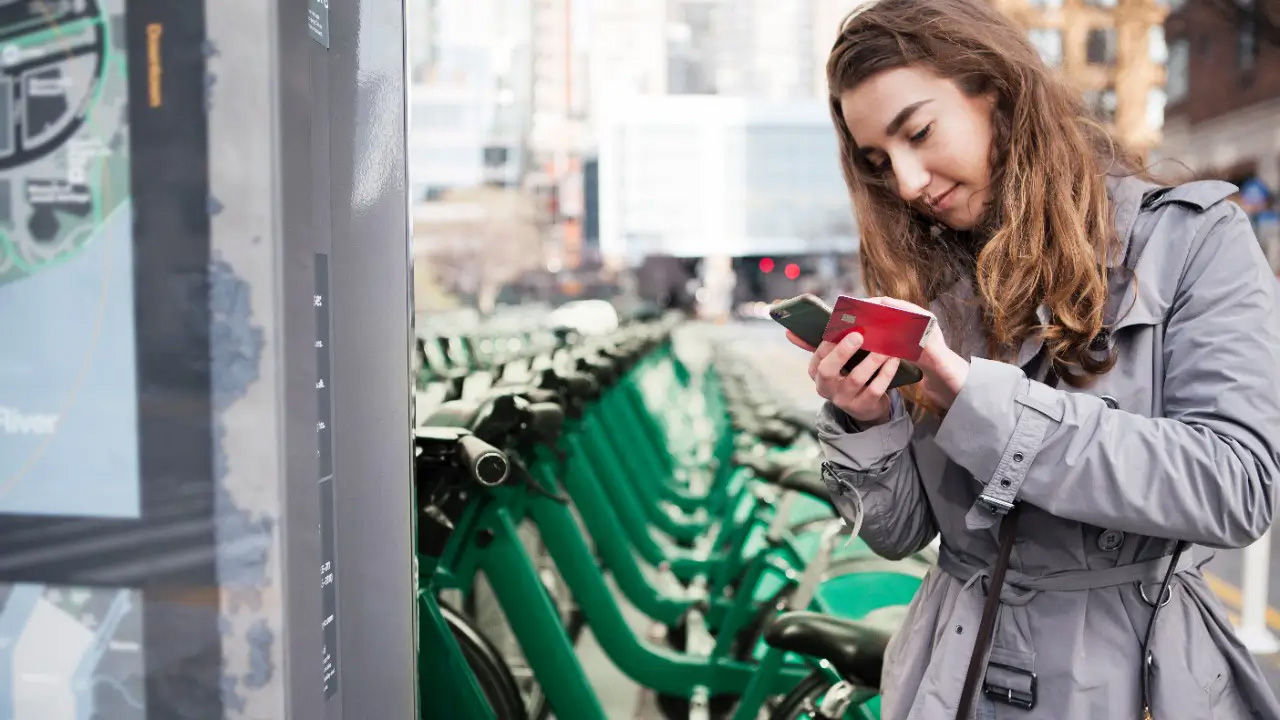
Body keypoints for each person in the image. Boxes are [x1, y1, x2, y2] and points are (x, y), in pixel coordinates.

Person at [785, 0, 1280, 718]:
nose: (908, 182)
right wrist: (867, 421)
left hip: (1130, 680)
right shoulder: (935, 283)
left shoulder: (1193, 242)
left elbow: (1237, 486)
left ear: (997, 89)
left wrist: (980, 401)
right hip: (947, 677)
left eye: (919, 132)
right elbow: (896, 534)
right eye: (878, 162)